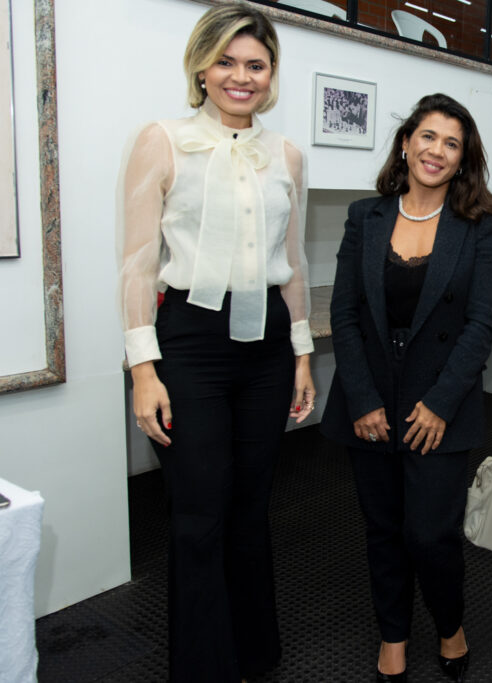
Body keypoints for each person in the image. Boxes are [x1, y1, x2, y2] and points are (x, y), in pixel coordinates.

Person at [116, 5, 315, 681]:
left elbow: (295, 262)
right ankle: (202, 668)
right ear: (201, 66)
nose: (240, 76)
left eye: (255, 64)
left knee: (251, 505)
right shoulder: (162, 140)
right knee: (199, 509)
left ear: (271, 74)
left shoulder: (286, 154)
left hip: (266, 349)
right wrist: (143, 368)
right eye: (226, 61)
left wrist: (302, 355)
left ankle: (256, 658)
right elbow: (138, 262)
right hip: (190, 344)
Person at [319, 93, 492, 683]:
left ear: (462, 159)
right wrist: (364, 398)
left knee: (431, 534)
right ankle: (393, 635)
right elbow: (344, 314)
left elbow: (481, 323)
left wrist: (442, 402)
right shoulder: (363, 217)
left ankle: (450, 625)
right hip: (370, 399)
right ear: (405, 143)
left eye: (452, 143)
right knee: (383, 529)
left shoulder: (478, 227)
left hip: (439, 405)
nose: (437, 151)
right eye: (428, 137)